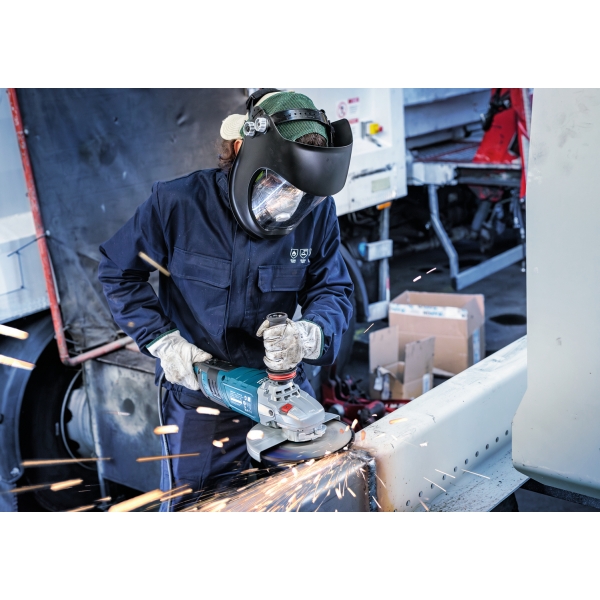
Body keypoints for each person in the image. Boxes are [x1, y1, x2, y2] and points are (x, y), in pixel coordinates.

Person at [98, 89, 354, 509]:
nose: (288, 203)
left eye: (301, 193)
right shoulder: (177, 203)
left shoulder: (316, 212)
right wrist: (163, 341)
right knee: (194, 510)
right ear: (240, 150)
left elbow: (332, 288)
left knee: (302, 502)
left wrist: (312, 333)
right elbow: (117, 271)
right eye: (278, 185)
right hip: (200, 398)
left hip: (283, 390)